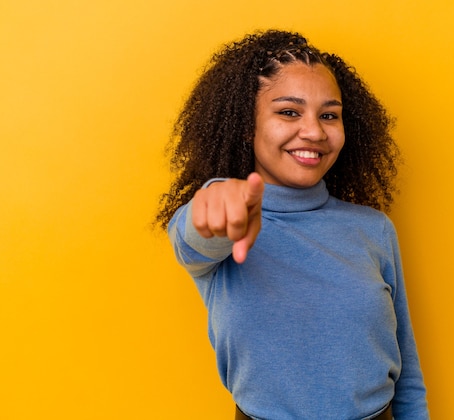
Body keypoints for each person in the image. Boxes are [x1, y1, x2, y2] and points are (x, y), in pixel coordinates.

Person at [156, 29, 429, 420]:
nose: (314, 131)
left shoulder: (374, 229)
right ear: (245, 125)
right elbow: (195, 234)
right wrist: (218, 197)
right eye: (288, 111)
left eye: (329, 115)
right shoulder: (224, 224)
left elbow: (407, 371)